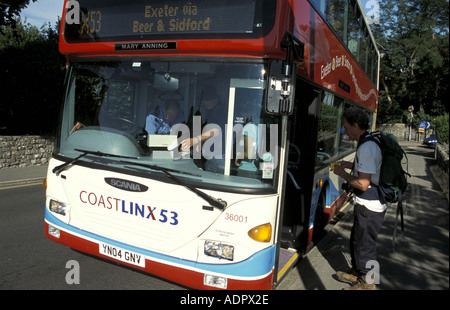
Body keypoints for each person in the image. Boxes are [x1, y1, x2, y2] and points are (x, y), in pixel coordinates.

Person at [331, 107, 386, 290]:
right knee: (357, 241)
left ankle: (368, 284)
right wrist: (348, 165)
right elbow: (368, 170)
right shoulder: (369, 141)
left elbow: (363, 184)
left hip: (370, 206)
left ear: (356, 125)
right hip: (366, 204)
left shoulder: (367, 147)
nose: (345, 131)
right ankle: (357, 273)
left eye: (346, 127)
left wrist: (342, 173)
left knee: (366, 246)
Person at [180, 85, 227, 171]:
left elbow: (216, 130)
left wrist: (196, 140)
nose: (205, 102)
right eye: (204, 100)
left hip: (219, 155)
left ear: (216, 99)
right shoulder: (209, 110)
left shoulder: (221, 111)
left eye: (208, 100)